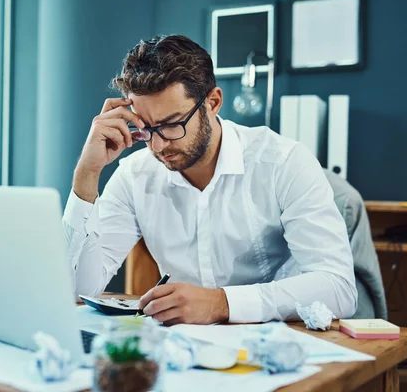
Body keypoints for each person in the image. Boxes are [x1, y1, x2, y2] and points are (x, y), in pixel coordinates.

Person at [62, 35, 357, 325]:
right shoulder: (134, 175)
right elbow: (78, 290)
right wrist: (87, 174)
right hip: (185, 349)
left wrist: (221, 303)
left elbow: (338, 288)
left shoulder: (283, 162)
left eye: (171, 124)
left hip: (278, 344)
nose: (157, 146)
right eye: (146, 129)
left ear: (213, 102)